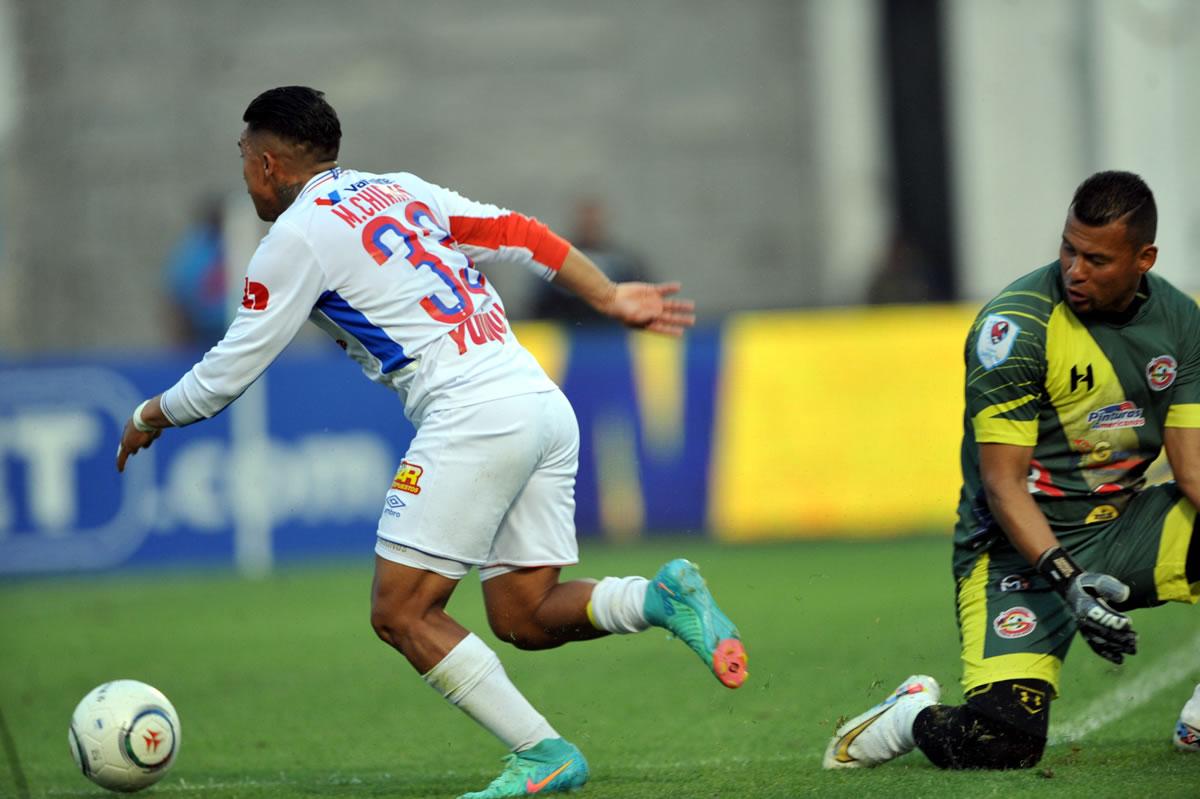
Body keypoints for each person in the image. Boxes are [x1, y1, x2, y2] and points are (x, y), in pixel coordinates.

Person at [114, 86, 747, 798]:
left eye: (242, 160)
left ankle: (544, 753)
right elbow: (520, 231)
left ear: (266, 164)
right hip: (537, 400)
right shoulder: (399, 191)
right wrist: (607, 294)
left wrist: (147, 415)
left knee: (401, 610)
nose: (243, 174)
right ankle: (658, 598)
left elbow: (225, 374)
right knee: (524, 615)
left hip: (473, 416)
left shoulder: (294, 239)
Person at [823, 171, 1200, 771]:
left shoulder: (1180, 322)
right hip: (1015, 553)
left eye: (1097, 259)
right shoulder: (1015, 329)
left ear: (1144, 259)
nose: (1075, 269)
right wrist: (1070, 581)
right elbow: (1002, 486)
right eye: (1068, 249)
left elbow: (1193, 471)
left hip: (1125, 526)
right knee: (1003, 745)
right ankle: (909, 714)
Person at [529, 196, 649, 322]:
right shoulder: (554, 258)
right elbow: (538, 303)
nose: (590, 224)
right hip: (567, 330)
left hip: (612, 332)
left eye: (594, 219)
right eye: (586, 219)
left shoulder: (623, 261)